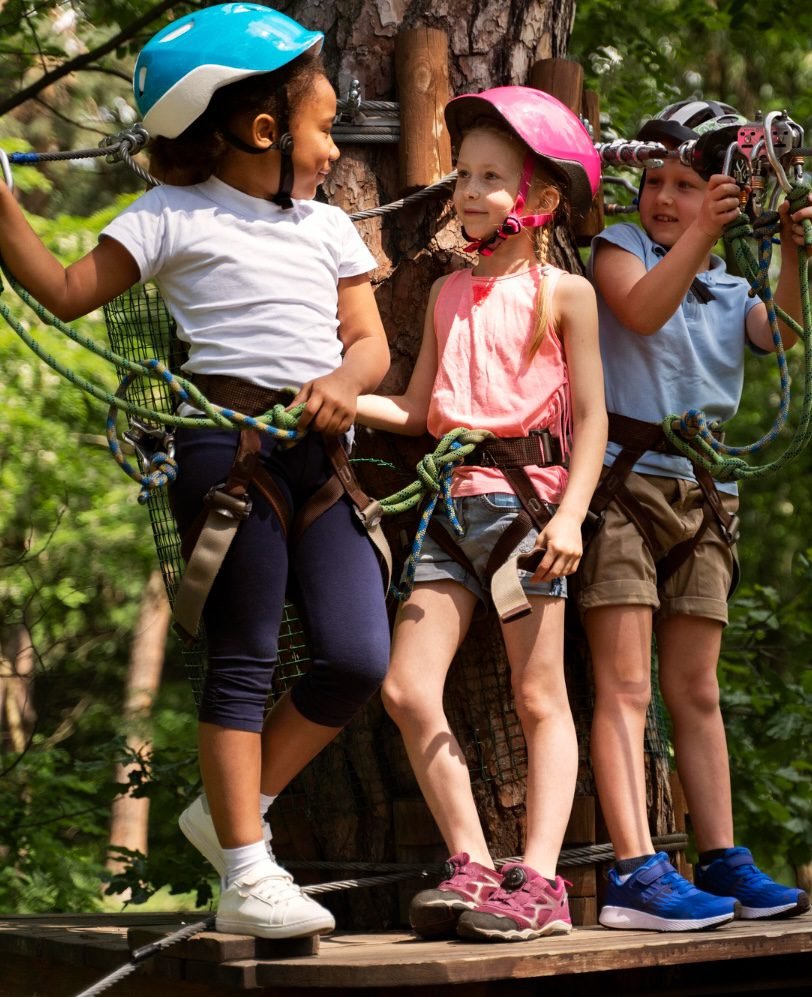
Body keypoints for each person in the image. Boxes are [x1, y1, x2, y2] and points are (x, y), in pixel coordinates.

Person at [0, 4, 392, 939]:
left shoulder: (328, 227)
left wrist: (343, 379)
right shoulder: (170, 215)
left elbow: (372, 344)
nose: (335, 148)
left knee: (354, 656)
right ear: (265, 130)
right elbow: (62, 290)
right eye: (325, 126)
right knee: (245, 659)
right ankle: (245, 869)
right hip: (229, 455)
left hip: (320, 456)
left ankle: (230, 811)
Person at [356, 86, 607, 942]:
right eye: (463, 173)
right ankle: (472, 862)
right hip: (447, 514)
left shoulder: (563, 292)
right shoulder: (445, 295)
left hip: (524, 517)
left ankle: (540, 879)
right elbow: (423, 407)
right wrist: (336, 396)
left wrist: (571, 515)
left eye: (490, 178)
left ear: (537, 201)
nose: (466, 191)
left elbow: (596, 418)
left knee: (540, 695)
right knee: (404, 686)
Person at [579, 98, 812, 931]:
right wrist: (703, 234)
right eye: (655, 181)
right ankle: (636, 868)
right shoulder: (621, 248)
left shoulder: (727, 277)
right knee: (627, 684)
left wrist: (789, 253)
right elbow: (638, 311)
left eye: (687, 184)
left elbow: (778, 335)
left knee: (695, 690)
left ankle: (719, 854)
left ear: (723, 190)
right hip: (623, 484)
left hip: (705, 491)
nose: (666, 200)